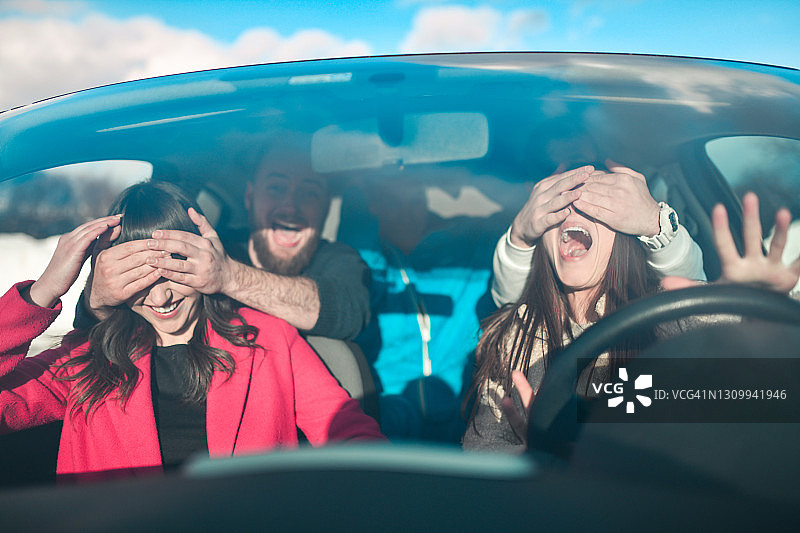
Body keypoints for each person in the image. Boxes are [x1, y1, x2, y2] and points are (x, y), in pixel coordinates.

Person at [0, 182, 385, 481]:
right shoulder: (87, 356)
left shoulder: (269, 339)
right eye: (140, 279)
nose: (163, 295)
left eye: (177, 271)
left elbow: (348, 432)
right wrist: (42, 292)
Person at [463, 189, 800, 453]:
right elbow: (481, 449)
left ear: (626, 231)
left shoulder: (667, 318)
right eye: (559, 203)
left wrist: (756, 313)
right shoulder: (512, 335)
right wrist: (532, 455)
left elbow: (747, 389)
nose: (573, 211)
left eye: (596, 203)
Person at [80, 141, 370, 341]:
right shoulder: (210, 254)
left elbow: (349, 313)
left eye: (309, 193)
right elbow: (106, 330)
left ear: (325, 207)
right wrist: (99, 299)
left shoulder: (340, 259)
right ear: (249, 196)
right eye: (276, 188)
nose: (291, 206)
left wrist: (228, 277)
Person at [492, 162, 706, 307]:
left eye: (596, 197)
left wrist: (654, 222)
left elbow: (690, 305)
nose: (572, 205)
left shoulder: (657, 325)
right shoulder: (521, 332)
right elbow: (510, 305)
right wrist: (520, 235)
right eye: (557, 197)